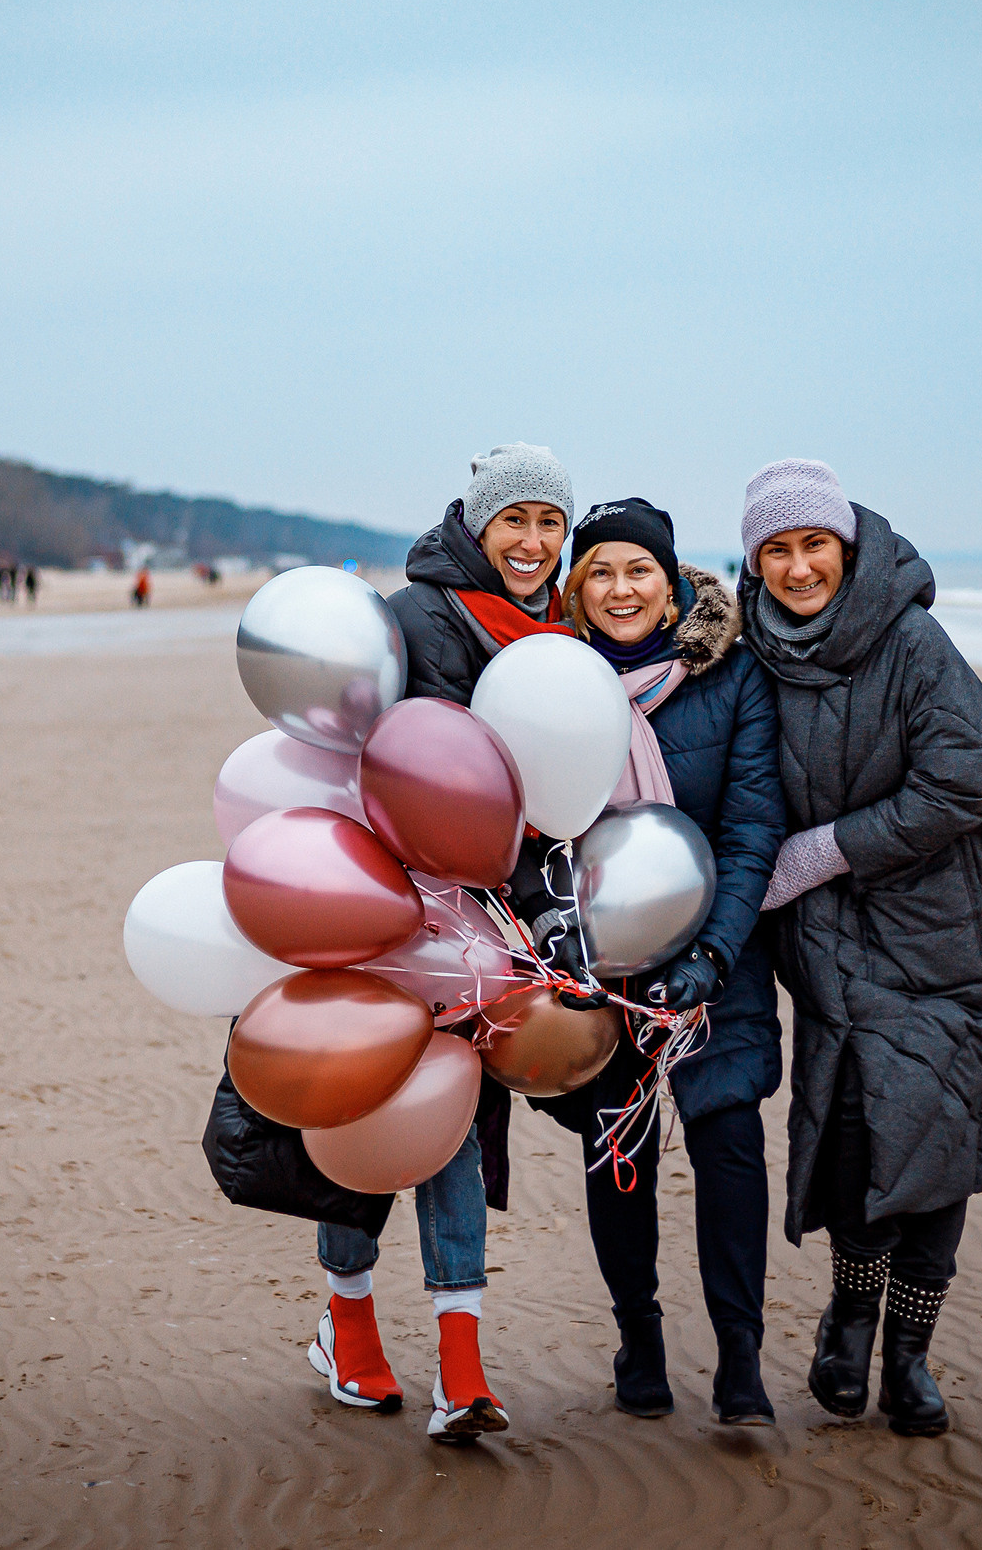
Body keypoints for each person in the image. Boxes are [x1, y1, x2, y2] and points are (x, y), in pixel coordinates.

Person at [734, 459, 982, 1439]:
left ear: (848, 546)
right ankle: (848, 1322)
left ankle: (907, 1355)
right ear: (754, 561)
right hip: (835, 942)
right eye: (776, 549)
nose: (797, 566)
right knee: (864, 1136)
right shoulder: (752, 652)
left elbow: (964, 781)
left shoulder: (913, 643)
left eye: (813, 544)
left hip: (961, 936)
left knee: (939, 1144)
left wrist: (824, 850)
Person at [305, 443, 575, 1448]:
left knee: (452, 1118)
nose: (533, 540)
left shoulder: (560, 624)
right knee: (359, 1118)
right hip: (384, 903)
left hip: (486, 917)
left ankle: (460, 1371)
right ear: (477, 523)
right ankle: (348, 1330)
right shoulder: (419, 613)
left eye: (550, 520)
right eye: (515, 520)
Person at [532, 497, 785, 1424]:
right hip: (604, 968)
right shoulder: (555, 685)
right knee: (619, 1152)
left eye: (639, 569)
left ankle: (740, 1358)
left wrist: (714, 954)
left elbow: (755, 826)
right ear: (579, 589)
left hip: (723, 954)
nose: (621, 587)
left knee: (728, 1142)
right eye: (599, 571)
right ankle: (638, 1337)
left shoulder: (733, 678)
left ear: (672, 584)